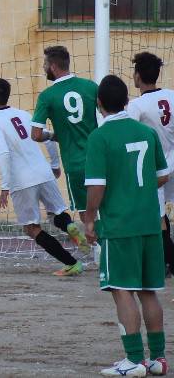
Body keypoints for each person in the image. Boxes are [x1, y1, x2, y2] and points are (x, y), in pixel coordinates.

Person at [85, 75, 170, 378]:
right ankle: (158, 359)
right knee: (149, 291)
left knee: (122, 290)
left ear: (99, 103)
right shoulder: (146, 132)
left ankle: (133, 360)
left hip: (120, 225)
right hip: (150, 220)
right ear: (125, 101)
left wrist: (89, 218)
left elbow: (96, 186)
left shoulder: (99, 137)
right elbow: (162, 175)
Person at [0, 78, 84, 276]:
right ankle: (70, 226)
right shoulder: (22, 113)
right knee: (57, 214)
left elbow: (3, 153)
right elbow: (48, 136)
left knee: (31, 228)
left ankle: (72, 263)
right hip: (43, 172)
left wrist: (4, 186)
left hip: (22, 180)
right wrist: (54, 164)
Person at [30, 45, 97, 248]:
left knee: (87, 214)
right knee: (109, 205)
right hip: (100, 157)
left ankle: (103, 253)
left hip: (75, 164)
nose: (43, 69)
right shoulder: (91, 86)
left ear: (52, 66)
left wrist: (54, 135)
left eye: (44, 65)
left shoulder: (47, 96)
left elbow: (36, 134)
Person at [126, 51, 174, 277]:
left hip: (159, 166)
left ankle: (167, 261)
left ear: (137, 76)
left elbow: (127, 134)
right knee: (162, 213)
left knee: (157, 215)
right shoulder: (172, 96)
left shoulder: (137, 106)